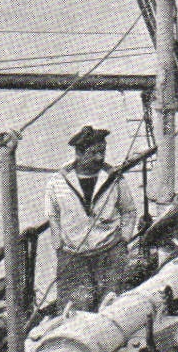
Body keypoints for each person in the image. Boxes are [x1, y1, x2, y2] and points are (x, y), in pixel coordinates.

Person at [46, 125, 142, 311]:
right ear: (79, 154)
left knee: (113, 306)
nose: (100, 157)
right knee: (75, 309)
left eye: (103, 151)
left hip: (110, 254)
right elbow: (53, 215)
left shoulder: (114, 178)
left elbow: (129, 211)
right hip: (74, 258)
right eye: (94, 153)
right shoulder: (57, 182)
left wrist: (124, 240)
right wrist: (59, 246)